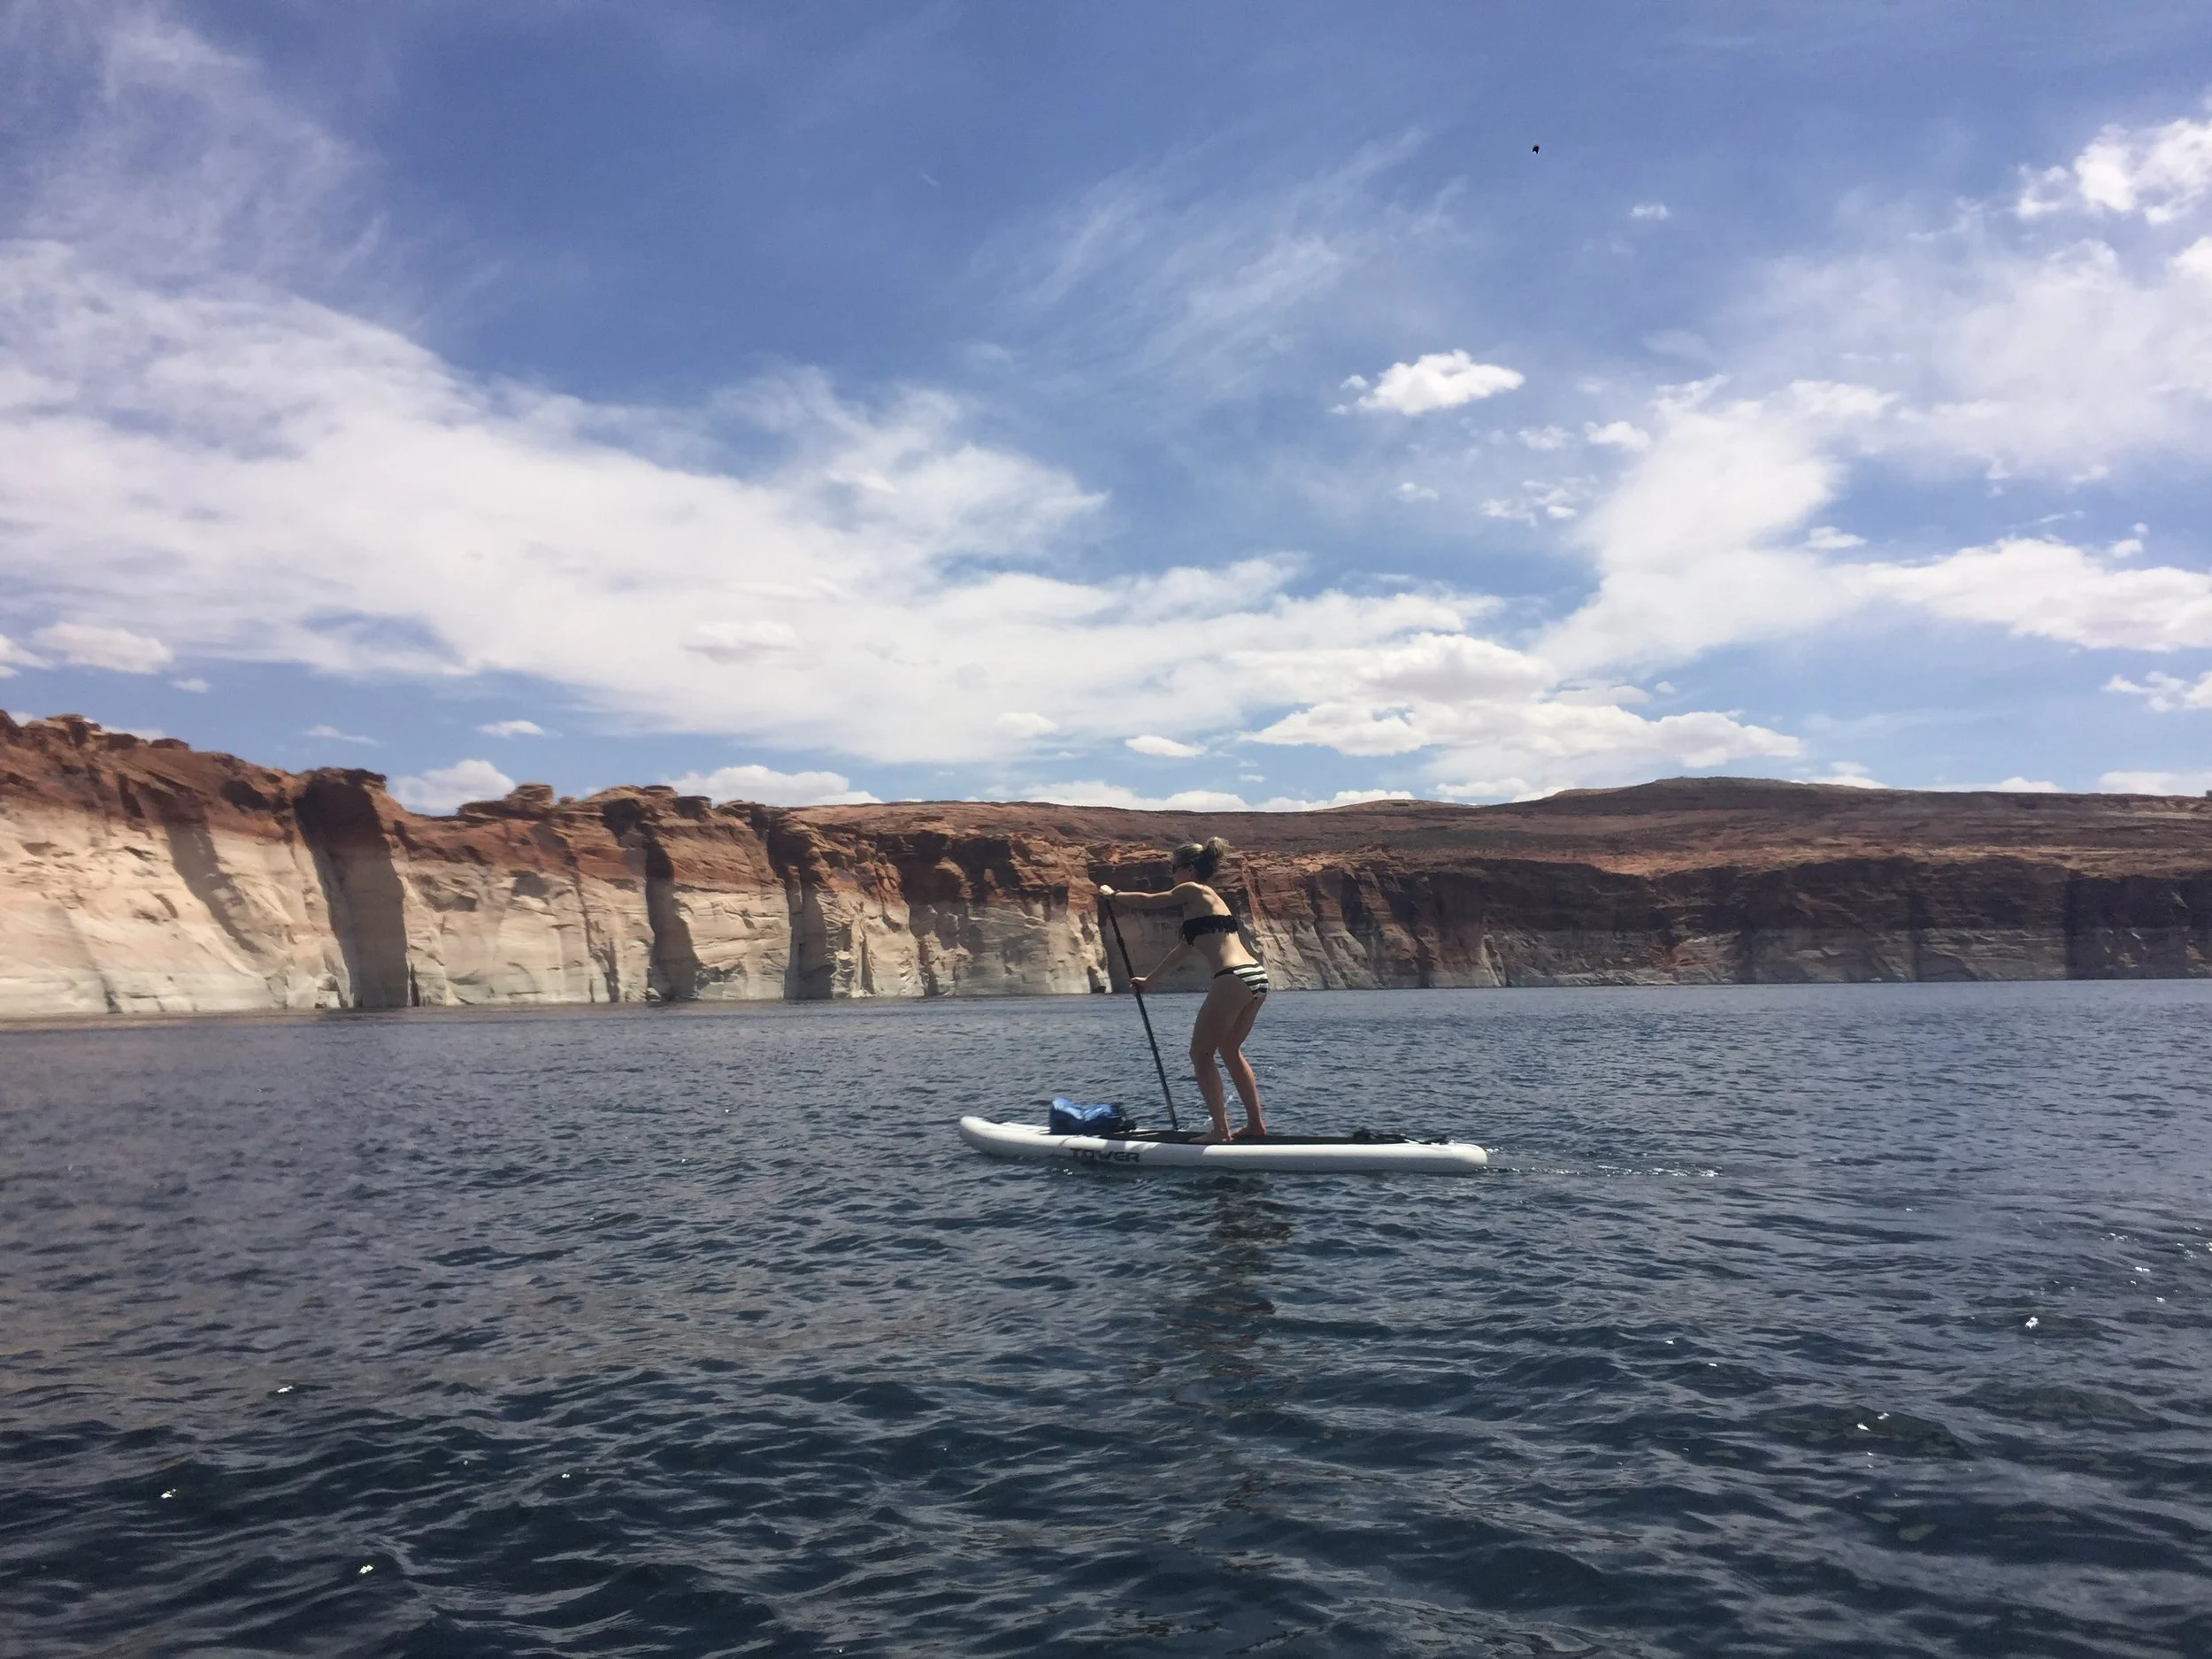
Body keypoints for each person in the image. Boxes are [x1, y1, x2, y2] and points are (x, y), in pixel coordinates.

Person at [1097, 837, 1270, 1143]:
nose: (1172, 875)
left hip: (1232, 978)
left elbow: (1150, 901)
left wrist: (1114, 895)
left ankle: (1220, 1131)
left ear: (1189, 869)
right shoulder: (1205, 905)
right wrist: (1149, 981)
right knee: (1229, 1050)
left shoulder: (1194, 890)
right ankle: (1255, 1125)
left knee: (1200, 1054)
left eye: (1174, 868)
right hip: (1255, 977)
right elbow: (1181, 951)